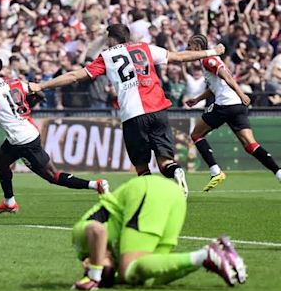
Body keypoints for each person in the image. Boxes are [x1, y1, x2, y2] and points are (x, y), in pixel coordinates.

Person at [29, 24, 226, 196]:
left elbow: (74, 76)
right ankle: (176, 172)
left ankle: (149, 197)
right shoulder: (145, 48)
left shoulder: (107, 56)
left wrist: (43, 86)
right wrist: (211, 52)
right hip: (158, 110)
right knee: (165, 162)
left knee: (141, 168)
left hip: (133, 115)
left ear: (113, 38)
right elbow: (180, 57)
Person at [0, 56, 109, 215]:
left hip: (24, 141)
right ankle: (9, 202)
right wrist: (24, 109)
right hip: (20, 136)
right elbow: (40, 94)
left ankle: (96, 185)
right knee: (0, 163)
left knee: (53, 176)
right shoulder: (14, 81)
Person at [71, 175, 247, 291]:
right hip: (174, 197)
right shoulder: (114, 258)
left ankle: (205, 255)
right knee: (149, 276)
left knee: (128, 270)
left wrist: (94, 275)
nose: (85, 266)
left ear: (88, 260)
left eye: (88, 266)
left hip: (144, 192)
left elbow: (97, 230)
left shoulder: (82, 244)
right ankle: (211, 255)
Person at [186, 34, 281, 191]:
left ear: (197, 48)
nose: (188, 50)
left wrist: (241, 93)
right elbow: (216, 86)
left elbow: (227, 77)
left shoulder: (207, 59)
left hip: (225, 105)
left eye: (190, 46)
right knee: (250, 144)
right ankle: (278, 173)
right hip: (236, 106)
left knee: (196, 134)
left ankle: (215, 171)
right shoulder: (207, 61)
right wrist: (197, 99)